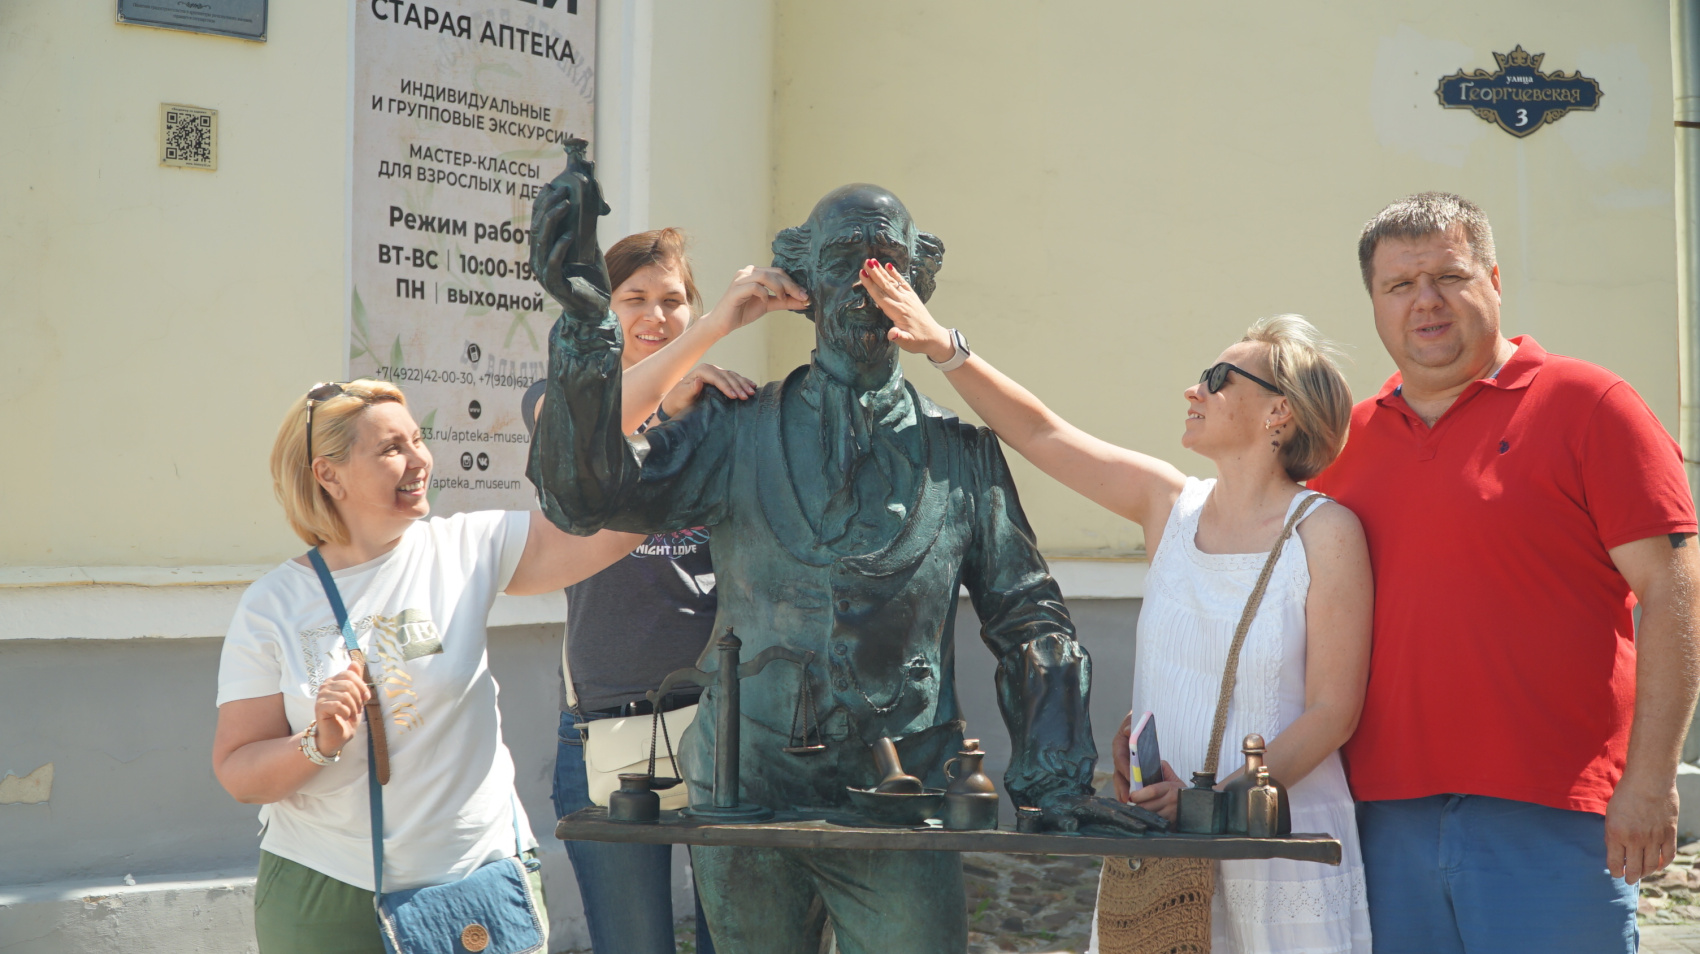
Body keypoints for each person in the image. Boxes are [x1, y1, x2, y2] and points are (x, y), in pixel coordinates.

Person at [527, 148, 1143, 954]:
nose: (862, 285)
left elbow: (1029, 617)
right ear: (804, 284)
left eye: (884, 264)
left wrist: (1055, 776)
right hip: (745, 792)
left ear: (917, 285)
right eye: (842, 262)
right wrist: (586, 330)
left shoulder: (961, 457)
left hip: (899, 795)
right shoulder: (731, 429)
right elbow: (586, 500)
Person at [862, 262, 1374, 953]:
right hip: (1159, 847)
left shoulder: (1325, 531)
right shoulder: (1168, 504)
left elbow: (1332, 712)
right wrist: (945, 349)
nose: (1194, 388)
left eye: (1218, 378)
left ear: (1278, 411)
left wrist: (1215, 805)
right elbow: (1042, 434)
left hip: (1276, 840)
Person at [212, 334, 752, 952]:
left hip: (476, 881)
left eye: (418, 439)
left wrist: (671, 435)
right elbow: (239, 769)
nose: (418, 460)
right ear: (327, 474)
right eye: (392, 448)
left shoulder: (466, 546)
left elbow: (609, 533)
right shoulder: (272, 605)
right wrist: (317, 742)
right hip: (328, 894)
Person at [1303, 192, 1700, 954]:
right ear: (1375, 303)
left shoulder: (1590, 405)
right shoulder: (1343, 442)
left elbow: (1674, 593)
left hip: (1552, 811)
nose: (1426, 303)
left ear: (1492, 278)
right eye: (1399, 286)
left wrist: (1651, 782)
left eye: (1449, 277)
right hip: (1378, 815)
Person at [520, 227, 786, 954]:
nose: (655, 315)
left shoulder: (728, 414)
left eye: (673, 301)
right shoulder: (559, 402)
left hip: (728, 731)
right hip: (605, 732)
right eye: (633, 299)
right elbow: (587, 448)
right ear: (602, 317)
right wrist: (690, 357)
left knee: (733, 941)